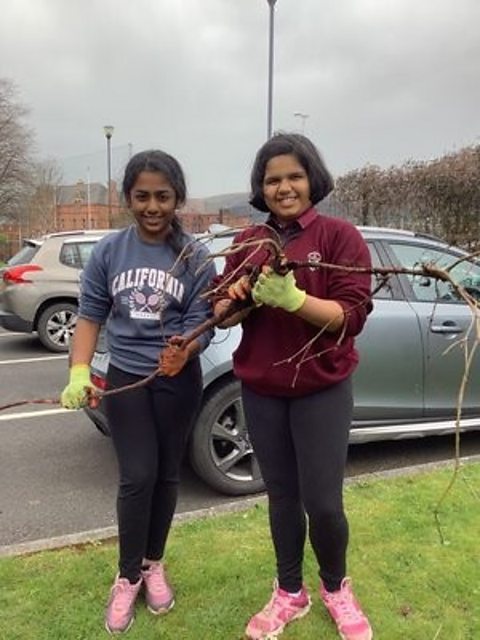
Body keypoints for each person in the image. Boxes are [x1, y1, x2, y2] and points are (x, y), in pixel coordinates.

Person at [214, 133, 373, 640]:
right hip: (263, 391)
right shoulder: (247, 244)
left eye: (294, 176)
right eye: (273, 179)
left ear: (312, 180)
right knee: (281, 497)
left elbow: (350, 318)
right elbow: (219, 315)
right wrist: (238, 297)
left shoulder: (339, 237)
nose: (284, 187)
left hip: (322, 389)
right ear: (261, 188)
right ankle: (290, 592)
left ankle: (335, 587)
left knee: (323, 502)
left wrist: (293, 298)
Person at [60, 149, 216, 634]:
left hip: (177, 380)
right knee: (137, 476)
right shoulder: (109, 252)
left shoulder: (194, 255)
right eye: (142, 196)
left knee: (167, 475)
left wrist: (185, 351)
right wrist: (79, 372)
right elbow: (89, 315)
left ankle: (154, 563)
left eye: (163, 196)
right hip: (127, 378)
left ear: (178, 199)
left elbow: (204, 321)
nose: (153, 206)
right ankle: (127, 576)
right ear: (128, 198)